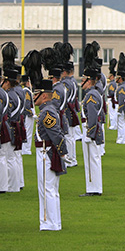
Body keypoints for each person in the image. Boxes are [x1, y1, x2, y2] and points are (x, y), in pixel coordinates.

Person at [35, 77, 68, 230]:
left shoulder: (47, 112)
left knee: (48, 189)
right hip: (47, 151)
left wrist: (62, 153)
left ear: (44, 95)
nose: (33, 96)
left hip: (45, 153)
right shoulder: (47, 110)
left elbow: (56, 134)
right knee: (50, 189)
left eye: (36, 93)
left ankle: (51, 223)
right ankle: (52, 221)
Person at [80, 64, 104, 196]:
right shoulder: (93, 93)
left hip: (90, 129)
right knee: (93, 159)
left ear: (89, 81)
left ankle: (93, 188)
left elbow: (92, 116)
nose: (81, 82)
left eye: (84, 79)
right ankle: (94, 187)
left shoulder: (91, 95)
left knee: (91, 159)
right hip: (91, 129)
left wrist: (90, 133)